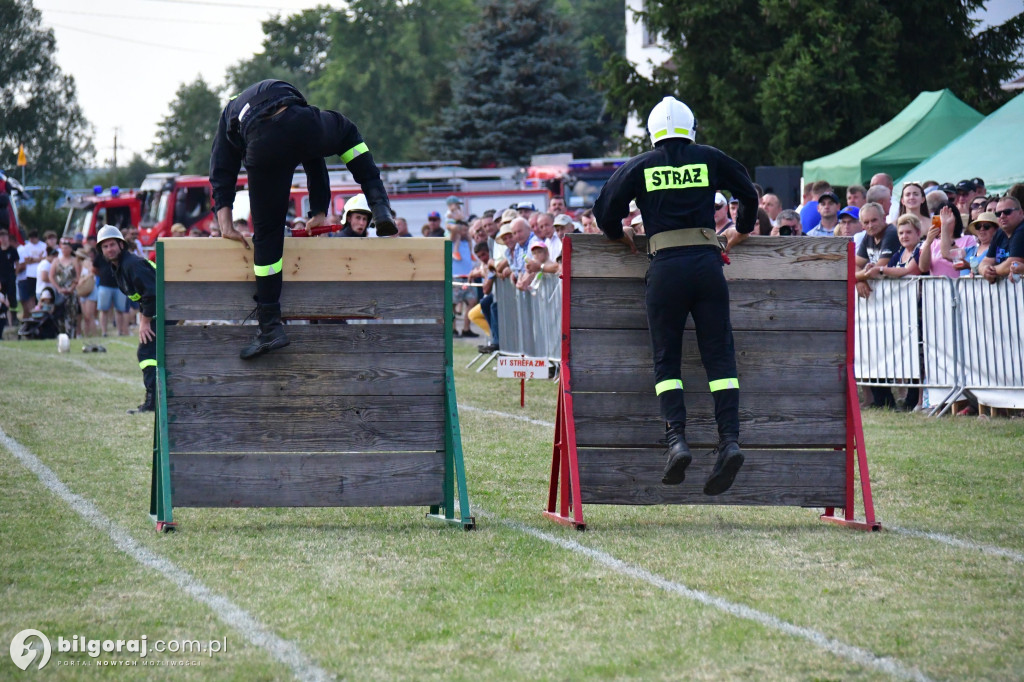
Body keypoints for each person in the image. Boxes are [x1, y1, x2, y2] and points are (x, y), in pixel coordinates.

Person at [592, 95, 757, 496]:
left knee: (667, 358)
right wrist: (741, 229)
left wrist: (621, 234)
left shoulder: (641, 165)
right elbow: (748, 194)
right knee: (719, 357)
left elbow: (604, 211)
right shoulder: (710, 157)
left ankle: (677, 441)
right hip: (706, 266)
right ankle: (729, 440)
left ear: (653, 133)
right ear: (691, 127)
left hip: (665, 269)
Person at [209, 79, 397, 360]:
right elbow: (313, 155)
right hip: (300, 120)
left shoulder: (229, 115)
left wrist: (224, 220)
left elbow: (221, 168)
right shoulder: (277, 92)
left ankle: (271, 326)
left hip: (261, 141)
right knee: (347, 134)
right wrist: (319, 211)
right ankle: (379, 206)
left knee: (268, 238)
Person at [96, 225, 158, 414]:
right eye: (105, 246)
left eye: (112, 244)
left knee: (147, 353)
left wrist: (145, 322)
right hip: (159, 309)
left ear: (121, 244)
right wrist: (143, 319)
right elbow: (141, 297)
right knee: (153, 353)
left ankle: (152, 403)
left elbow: (152, 293)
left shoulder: (131, 264)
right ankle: (157, 400)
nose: (109, 249)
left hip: (167, 308)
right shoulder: (118, 267)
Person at [980, 196, 1024, 283]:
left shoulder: (1022, 230)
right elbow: (986, 261)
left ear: (1021, 213)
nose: (1002, 216)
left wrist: (990, 271)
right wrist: (984, 269)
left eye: (1007, 212)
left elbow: (1011, 265)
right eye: (998, 214)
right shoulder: (1000, 232)